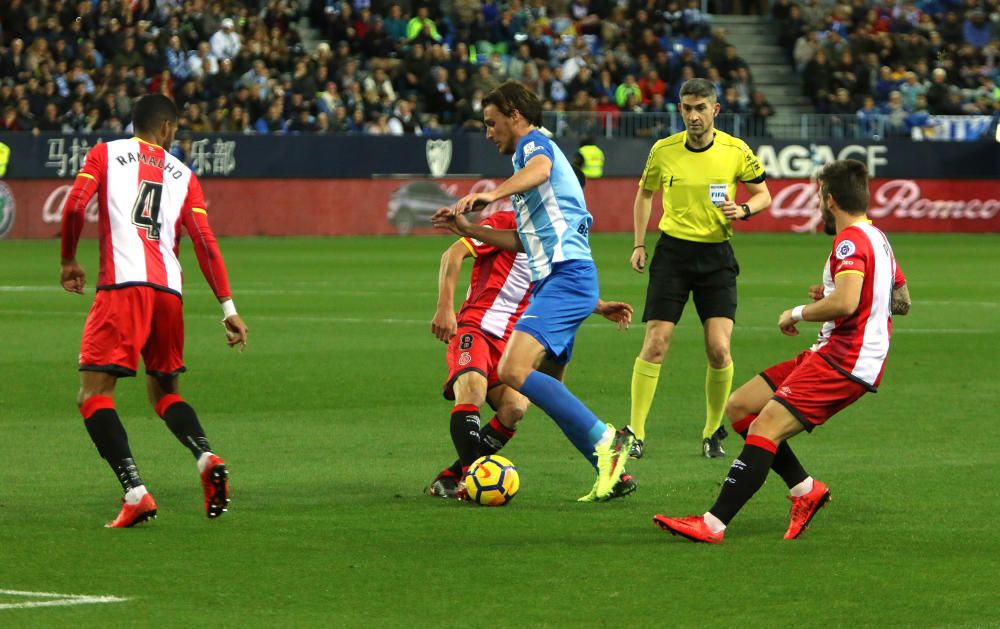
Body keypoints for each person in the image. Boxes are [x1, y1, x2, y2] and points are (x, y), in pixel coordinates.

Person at [653, 159, 911, 543]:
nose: (817, 204)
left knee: (764, 428)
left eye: (819, 196)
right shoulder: (878, 239)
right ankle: (806, 490)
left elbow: (846, 304)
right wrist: (842, 296)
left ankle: (712, 524)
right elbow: (901, 301)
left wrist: (798, 312)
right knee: (741, 406)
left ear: (832, 200)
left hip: (845, 360)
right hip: (834, 352)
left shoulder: (848, 241)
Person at [432, 81, 636, 502]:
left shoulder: (531, 146)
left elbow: (539, 169)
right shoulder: (535, 178)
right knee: (542, 388)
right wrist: (472, 229)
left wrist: (493, 193)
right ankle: (611, 471)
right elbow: (525, 242)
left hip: (565, 278)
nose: (489, 133)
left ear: (515, 114)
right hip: (563, 282)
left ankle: (610, 442)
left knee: (511, 373)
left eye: (492, 123)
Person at [59, 94, 249, 528]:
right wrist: (228, 308)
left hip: (122, 288)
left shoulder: (105, 153)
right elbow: (204, 241)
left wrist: (69, 259)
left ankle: (136, 493)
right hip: (169, 293)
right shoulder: (184, 174)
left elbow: (73, 205)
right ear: (165, 128)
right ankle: (205, 456)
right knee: (165, 393)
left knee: (93, 395)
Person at [628, 78, 771, 461]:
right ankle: (636, 432)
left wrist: (742, 210)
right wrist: (639, 242)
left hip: (716, 258)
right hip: (672, 255)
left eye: (700, 108)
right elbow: (645, 193)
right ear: (680, 110)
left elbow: (763, 194)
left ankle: (711, 432)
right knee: (656, 344)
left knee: (719, 350)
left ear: (715, 110)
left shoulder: (735, 150)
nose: (693, 115)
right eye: (687, 108)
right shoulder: (663, 151)